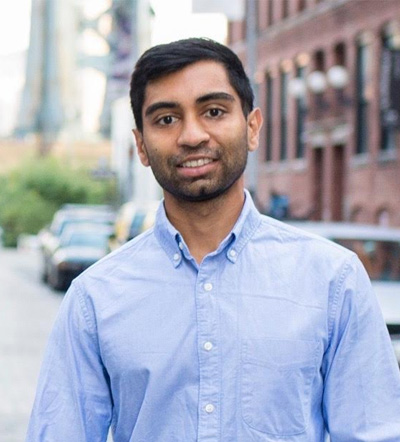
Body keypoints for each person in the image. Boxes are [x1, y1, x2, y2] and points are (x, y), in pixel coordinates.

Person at [26, 38, 400, 442]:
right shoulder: (94, 300)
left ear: (252, 127)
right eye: (166, 119)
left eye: (214, 111)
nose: (192, 135)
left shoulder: (333, 281)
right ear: (141, 146)